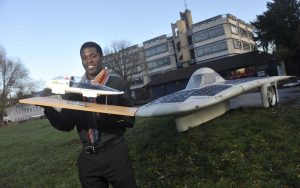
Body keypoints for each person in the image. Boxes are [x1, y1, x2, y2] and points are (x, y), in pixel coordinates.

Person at [43, 41, 137, 188]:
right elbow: (66, 125)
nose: (89, 61)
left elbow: (130, 121)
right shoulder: (74, 90)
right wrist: (48, 109)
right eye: (84, 58)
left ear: (101, 57)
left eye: (93, 56)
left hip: (115, 153)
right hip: (88, 159)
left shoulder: (118, 84)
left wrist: (107, 111)